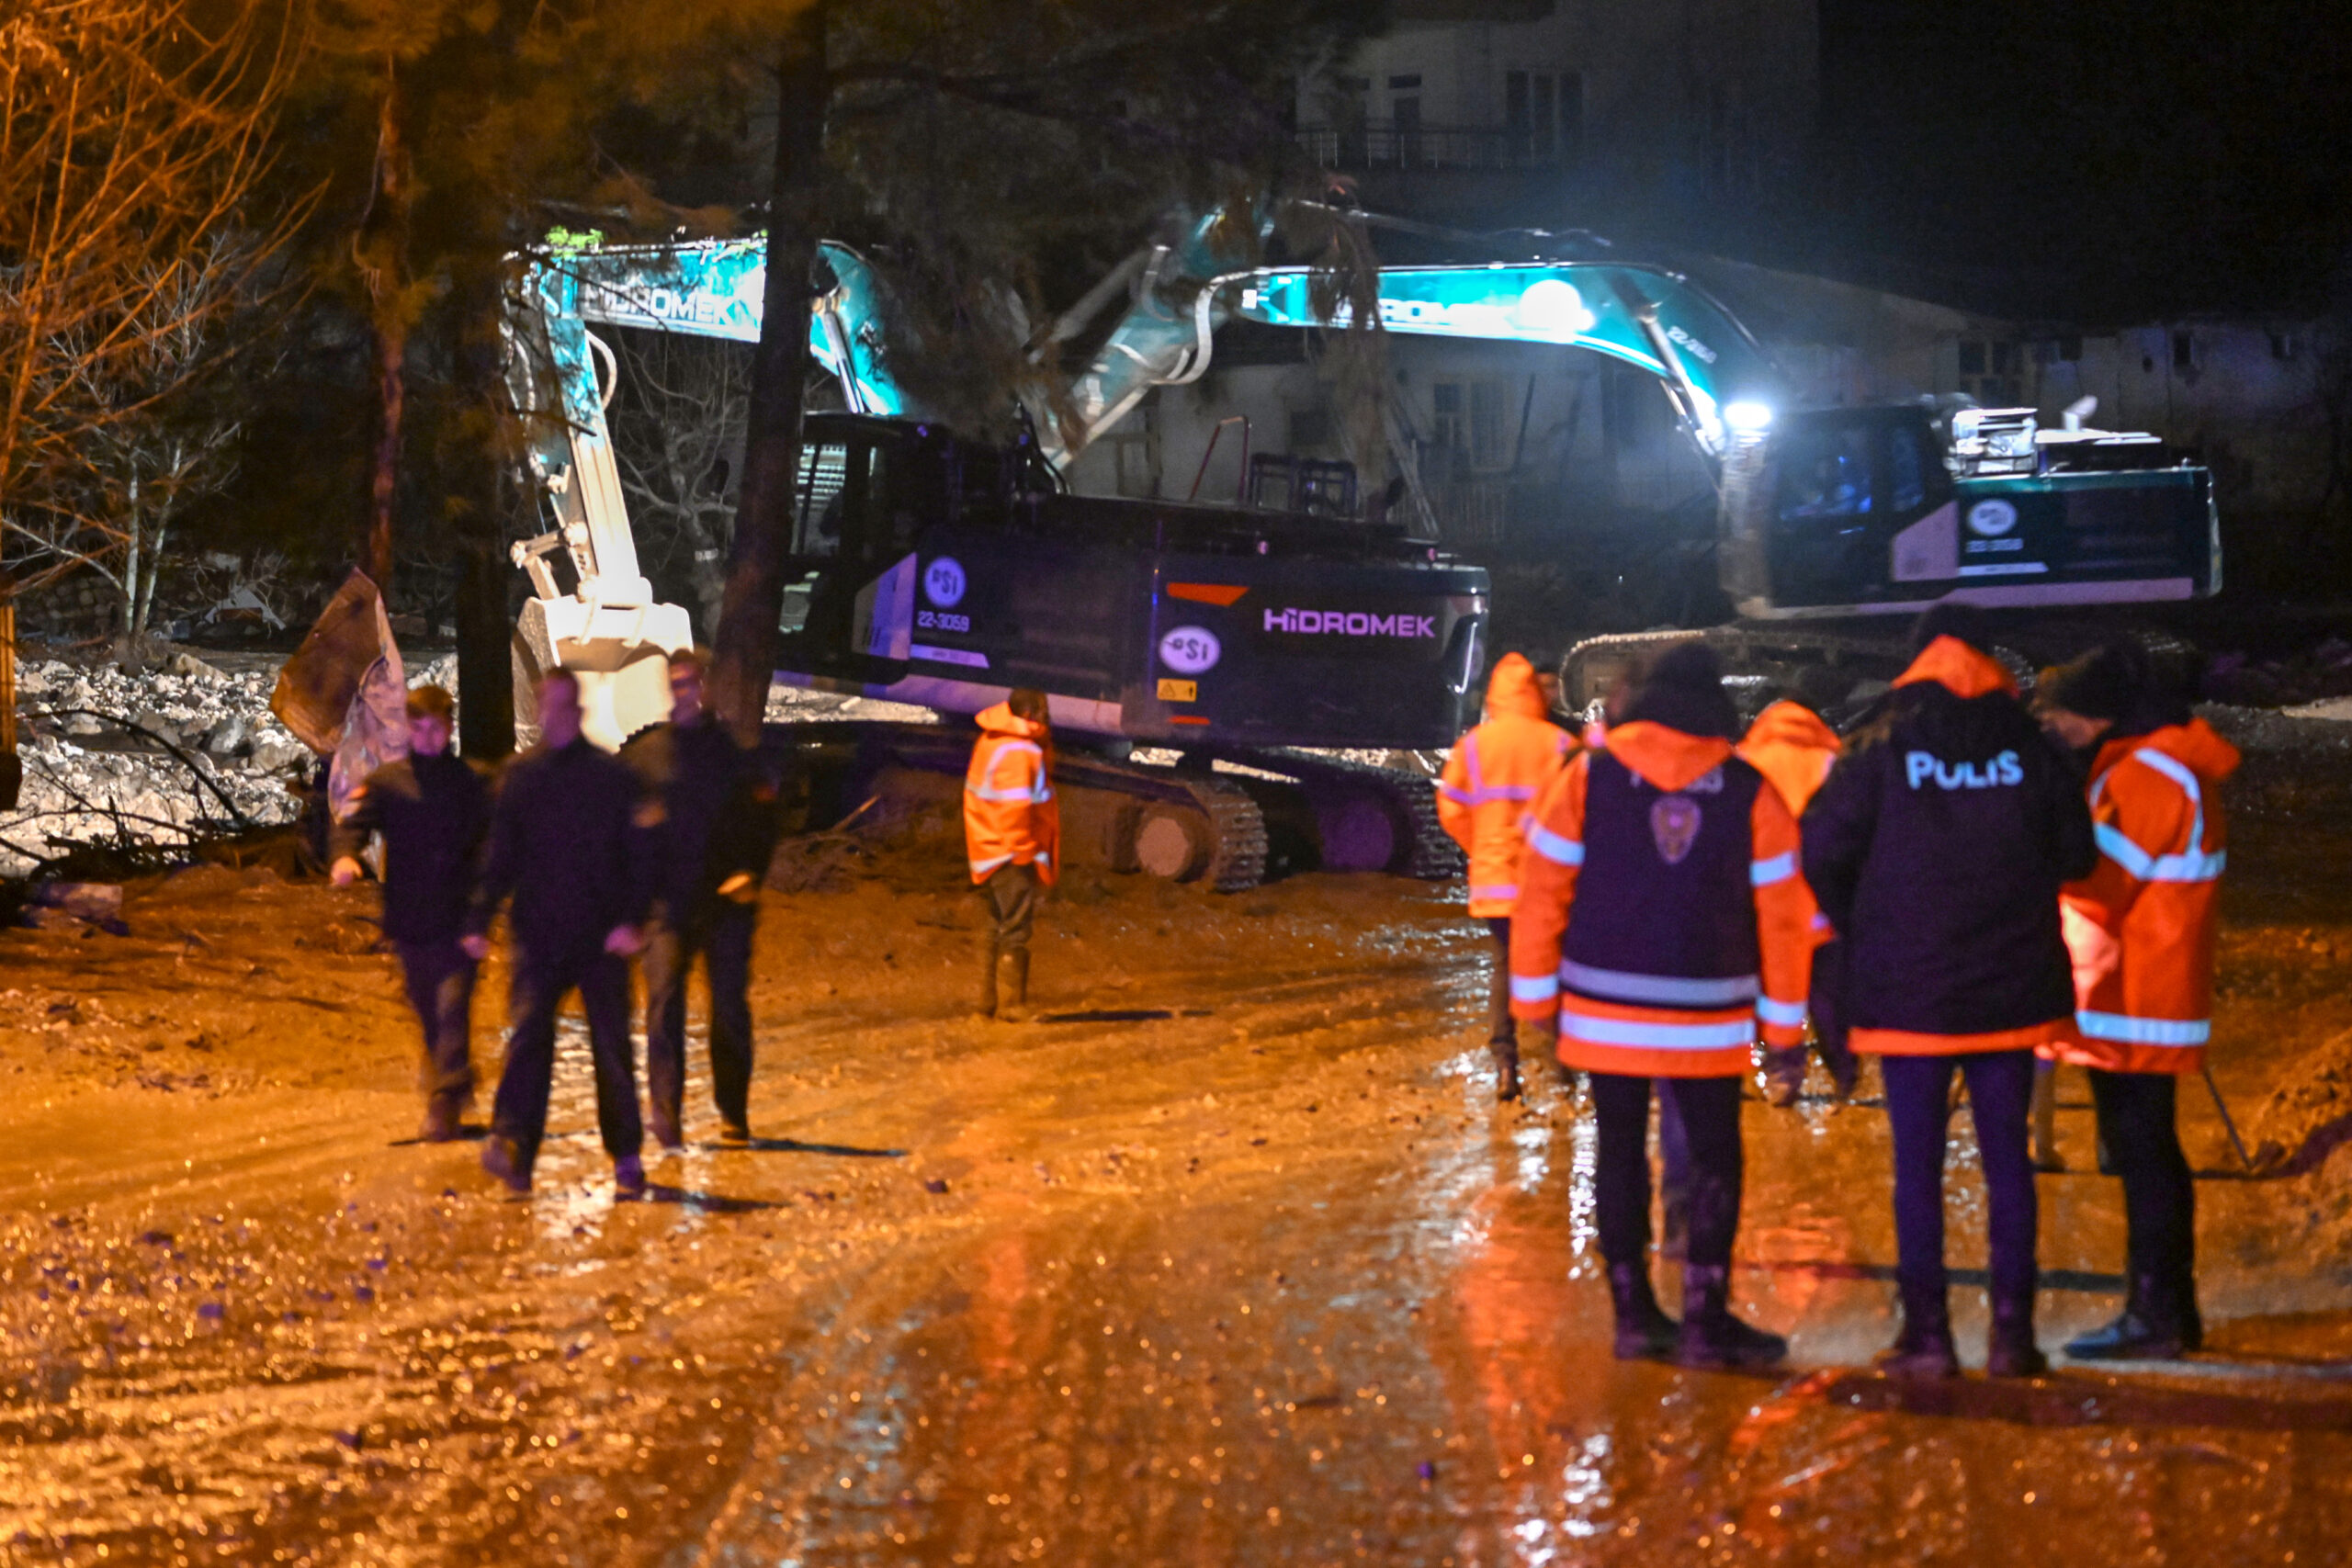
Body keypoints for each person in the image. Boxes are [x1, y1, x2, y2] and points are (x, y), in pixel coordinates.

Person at [1801, 604, 2096, 1378]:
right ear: (1989, 657)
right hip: (2011, 992)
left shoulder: (1878, 744)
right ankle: (2013, 1339)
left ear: (1917, 657)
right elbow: (2077, 854)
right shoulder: (2028, 745)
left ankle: (1927, 1338)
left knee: (1918, 1170)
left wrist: (1862, 925)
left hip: (1907, 997)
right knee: (2008, 1166)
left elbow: (1819, 848)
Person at [1510, 643, 1813, 1368]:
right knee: (1714, 1157)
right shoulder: (1749, 788)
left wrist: (1534, 1001)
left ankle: (1634, 1317)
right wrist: (1783, 1031)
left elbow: (1542, 891)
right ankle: (1707, 1319)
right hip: (1707, 1012)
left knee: (1617, 1151)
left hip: (1601, 1005)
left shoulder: (1587, 777)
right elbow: (1782, 916)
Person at [2035, 642, 2236, 1359]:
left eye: (2058, 714)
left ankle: (2157, 1314)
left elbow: (2100, 881)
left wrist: (2038, 858)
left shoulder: (2149, 772)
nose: (2050, 726)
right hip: (2136, 991)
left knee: (2144, 1155)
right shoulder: (2150, 762)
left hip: (2135, 993)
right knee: (2144, 1151)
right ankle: (2163, 1309)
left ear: (2096, 714)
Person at [465, 669, 658, 1197]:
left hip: (602, 941)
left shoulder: (611, 779)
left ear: (575, 711)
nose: (553, 717)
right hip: (539, 936)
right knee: (528, 1041)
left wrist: (633, 922)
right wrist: (479, 920)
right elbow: (500, 855)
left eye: (560, 707)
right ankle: (514, 1151)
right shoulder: (522, 777)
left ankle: (627, 1159)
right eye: (545, 707)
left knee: (612, 1050)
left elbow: (641, 859)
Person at [623, 649, 779, 1151]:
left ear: (706, 688)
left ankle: (733, 1113)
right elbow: (622, 823)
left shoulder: (736, 751)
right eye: (677, 683)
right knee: (664, 1007)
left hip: (726, 903)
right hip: (668, 907)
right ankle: (665, 1116)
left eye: (692, 682)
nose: (685, 691)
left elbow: (764, 819)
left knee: (729, 1008)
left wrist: (750, 872)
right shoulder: (648, 753)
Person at [329, 684, 492, 1141]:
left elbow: (496, 847)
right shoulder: (389, 783)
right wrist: (345, 857)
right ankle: (455, 1082)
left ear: (449, 728)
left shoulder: (474, 783)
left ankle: (443, 1103)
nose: (427, 736)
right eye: (418, 727)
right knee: (427, 1013)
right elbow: (352, 825)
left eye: (436, 727)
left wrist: (486, 909)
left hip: (461, 923)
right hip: (409, 922)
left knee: (452, 1008)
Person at [1437, 652, 1575, 1101]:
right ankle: (1563, 1061)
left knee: (1503, 967)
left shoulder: (1475, 745)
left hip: (1495, 880)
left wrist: (1479, 848)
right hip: (1548, 881)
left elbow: (1452, 808)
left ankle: (1505, 1064)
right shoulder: (1558, 744)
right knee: (1551, 967)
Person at [1736, 682, 1854, 1105]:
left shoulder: (1746, 762)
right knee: (1829, 995)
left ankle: (1783, 1075)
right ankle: (1845, 1074)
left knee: (1773, 995)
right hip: (1824, 903)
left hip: (1764, 905)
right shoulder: (1833, 760)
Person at [965, 687, 1059, 1021]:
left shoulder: (990, 741)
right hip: (1009, 852)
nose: (1050, 714)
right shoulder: (1022, 751)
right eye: (1045, 708)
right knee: (1016, 928)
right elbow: (1017, 809)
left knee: (993, 924)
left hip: (985, 846)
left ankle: (985, 1002)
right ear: (1031, 712)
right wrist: (1024, 853)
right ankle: (1012, 1005)